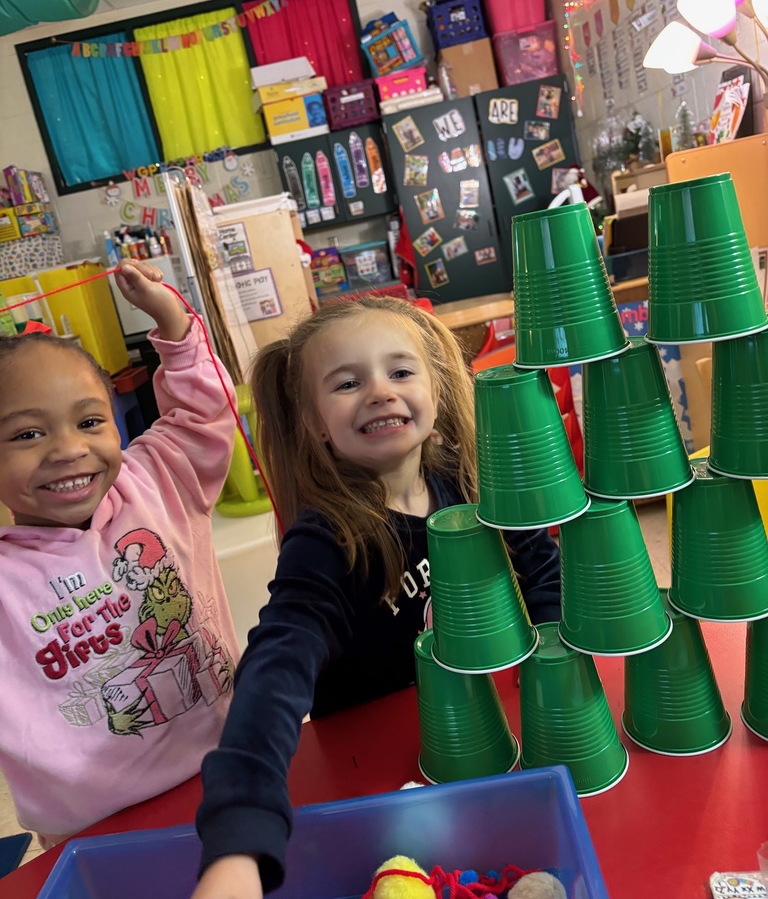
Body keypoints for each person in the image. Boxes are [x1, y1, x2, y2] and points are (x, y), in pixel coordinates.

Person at [192, 295, 561, 899]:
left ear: (436, 391)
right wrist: (239, 837)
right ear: (316, 424)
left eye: (400, 371)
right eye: (347, 383)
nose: (380, 392)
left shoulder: (471, 482)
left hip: (492, 732)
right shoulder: (326, 539)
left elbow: (545, 572)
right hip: (376, 773)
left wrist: (551, 671)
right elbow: (278, 662)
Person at [0, 259, 239, 848]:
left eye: (89, 421)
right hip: (96, 836)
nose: (68, 449)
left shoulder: (159, 479)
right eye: (27, 434)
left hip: (234, 771)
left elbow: (203, 411)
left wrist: (171, 319)